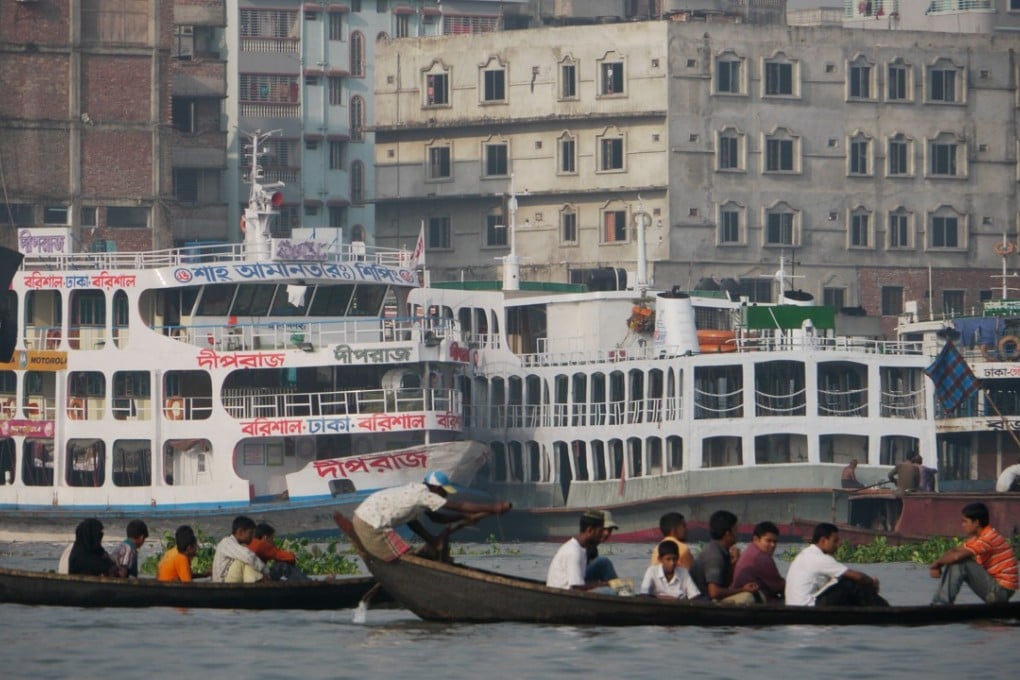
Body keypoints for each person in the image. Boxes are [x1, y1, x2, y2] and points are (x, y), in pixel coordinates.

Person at [352, 470, 512, 561]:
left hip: (364, 518)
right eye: (443, 491)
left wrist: (433, 540)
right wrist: (494, 507)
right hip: (370, 523)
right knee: (404, 558)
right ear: (435, 489)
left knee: (406, 556)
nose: (444, 495)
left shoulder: (416, 495)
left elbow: (434, 519)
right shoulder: (425, 494)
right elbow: (460, 506)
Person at [929, 502, 1018, 605]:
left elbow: (957, 556)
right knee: (954, 560)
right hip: (995, 591)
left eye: (965, 522)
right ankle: (939, 603)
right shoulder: (978, 538)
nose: (963, 525)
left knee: (961, 562)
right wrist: (938, 563)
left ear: (976, 522)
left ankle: (941, 604)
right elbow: (954, 551)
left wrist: (936, 564)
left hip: (1000, 592)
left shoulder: (989, 538)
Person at [785, 522, 888, 606]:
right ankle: (885, 610)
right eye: (835, 541)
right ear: (823, 540)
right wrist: (872, 582)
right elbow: (857, 577)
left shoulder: (805, 554)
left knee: (844, 585)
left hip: (796, 604)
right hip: (808, 606)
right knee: (848, 582)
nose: (838, 545)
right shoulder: (820, 558)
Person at [689, 510, 758, 604]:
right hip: (703, 601)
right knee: (748, 597)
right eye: (735, 529)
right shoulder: (715, 555)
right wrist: (743, 590)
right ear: (727, 533)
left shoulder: (721, 550)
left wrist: (734, 563)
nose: (737, 533)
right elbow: (714, 592)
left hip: (709, 599)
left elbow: (726, 584)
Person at [546, 510, 613, 591]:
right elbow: (577, 587)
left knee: (604, 564)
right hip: (566, 594)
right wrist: (607, 584)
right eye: (600, 531)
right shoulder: (574, 552)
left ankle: (622, 592)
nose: (602, 535)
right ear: (590, 530)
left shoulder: (582, 548)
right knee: (610, 590)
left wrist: (608, 584)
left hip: (575, 586)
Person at [732, 521, 785, 602]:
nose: (773, 545)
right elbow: (780, 587)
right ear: (756, 539)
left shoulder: (750, 550)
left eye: (775, 542)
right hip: (758, 603)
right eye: (768, 541)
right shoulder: (762, 558)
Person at [212, 515, 269, 583]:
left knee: (247, 560)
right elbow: (248, 557)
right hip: (223, 582)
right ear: (240, 532)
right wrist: (266, 570)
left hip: (228, 580)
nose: (253, 536)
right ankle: (259, 583)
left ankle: (257, 583)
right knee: (245, 560)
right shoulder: (226, 542)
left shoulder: (235, 545)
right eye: (250, 533)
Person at [585, 509, 619, 583]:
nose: (607, 533)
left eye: (610, 530)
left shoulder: (593, 548)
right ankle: (620, 590)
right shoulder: (586, 546)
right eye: (604, 529)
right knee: (604, 562)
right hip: (576, 582)